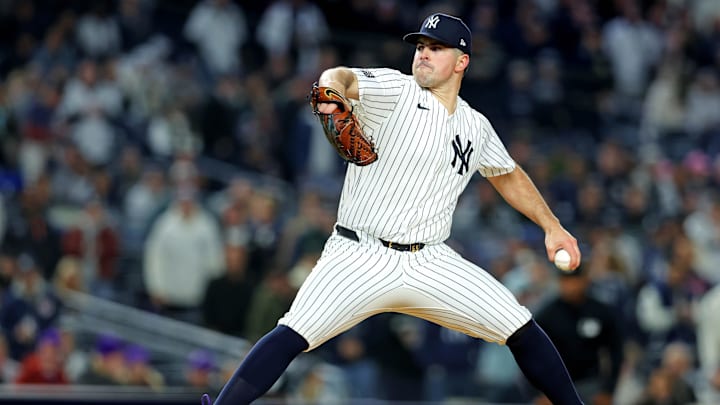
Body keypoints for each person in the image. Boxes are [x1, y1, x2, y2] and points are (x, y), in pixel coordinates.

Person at [202, 13, 584, 405]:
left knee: (519, 325)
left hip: (429, 260)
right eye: (420, 47)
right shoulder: (395, 90)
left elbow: (507, 174)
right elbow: (341, 76)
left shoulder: (475, 126)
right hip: (358, 254)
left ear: (462, 61)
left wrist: (551, 226)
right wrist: (331, 90)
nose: (423, 55)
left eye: (436, 48)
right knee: (293, 333)